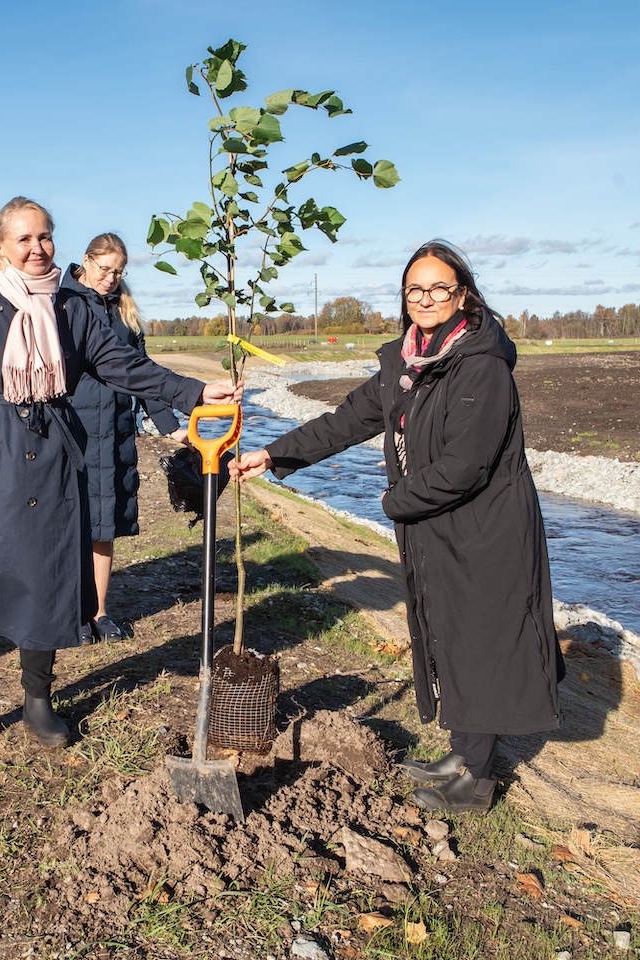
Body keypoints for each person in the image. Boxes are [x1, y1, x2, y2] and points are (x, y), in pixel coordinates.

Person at [230, 240, 564, 815]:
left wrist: (394, 501)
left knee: (479, 641)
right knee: (448, 634)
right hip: (433, 524)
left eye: (439, 288)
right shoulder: (407, 362)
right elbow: (346, 420)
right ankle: (464, 754)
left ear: (463, 295)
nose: (426, 299)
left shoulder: (481, 366)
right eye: (416, 289)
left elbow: (465, 466)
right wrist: (274, 454)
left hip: (484, 530)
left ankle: (478, 782)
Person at [0, 197, 241, 760]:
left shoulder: (72, 306)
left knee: (49, 580)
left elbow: (122, 364)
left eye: (45, 236)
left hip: (57, 458)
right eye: (24, 238)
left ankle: (38, 701)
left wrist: (193, 391)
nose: (37, 248)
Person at [64, 233, 187, 640]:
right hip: (72, 434)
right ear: (86, 261)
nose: (111, 278)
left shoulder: (125, 312)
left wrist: (170, 425)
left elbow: (142, 372)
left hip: (115, 434)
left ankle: (99, 613)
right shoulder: (61, 303)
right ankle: (71, 614)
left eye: (118, 272)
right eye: (105, 269)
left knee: (103, 527)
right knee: (70, 526)